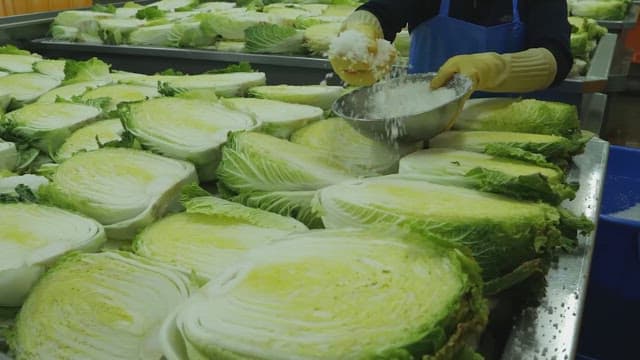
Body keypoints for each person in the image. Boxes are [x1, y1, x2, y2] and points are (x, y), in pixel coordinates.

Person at [330, 0, 572, 94]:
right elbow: (381, 10)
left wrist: (497, 69)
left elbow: (557, 56)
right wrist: (358, 35)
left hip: (501, 123)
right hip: (423, 120)